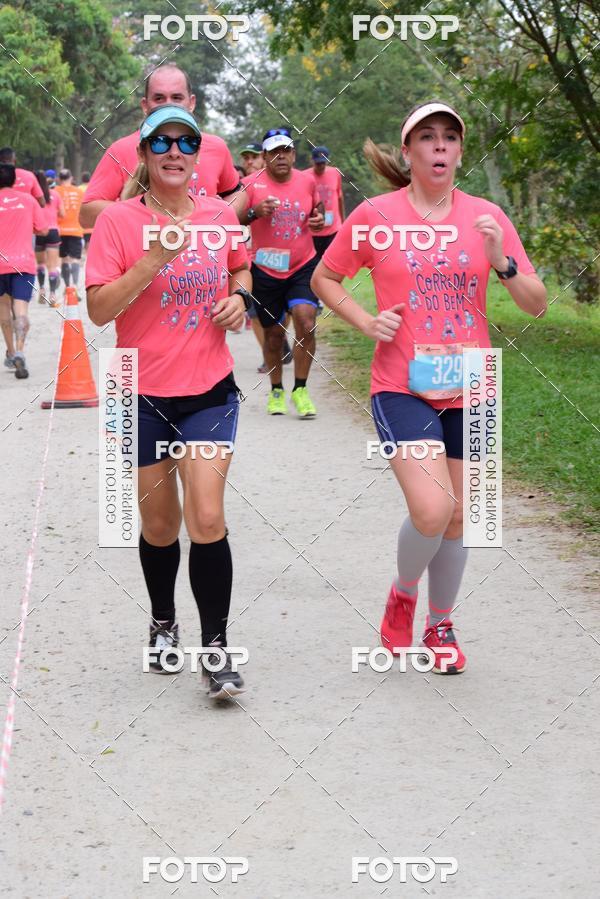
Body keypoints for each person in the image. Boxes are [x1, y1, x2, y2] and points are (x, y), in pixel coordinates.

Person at [311, 101, 547, 673]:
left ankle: (440, 624)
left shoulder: (486, 216)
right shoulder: (375, 215)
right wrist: (365, 323)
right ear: (410, 152)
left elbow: (537, 305)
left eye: (450, 138)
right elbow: (325, 277)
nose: (440, 147)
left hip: (471, 383)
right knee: (433, 507)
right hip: (401, 384)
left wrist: (504, 264)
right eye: (428, 138)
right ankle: (403, 593)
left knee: (463, 517)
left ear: (460, 151)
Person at [86, 106, 251, 701]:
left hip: (209, 390)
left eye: (187, 141)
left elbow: (240, 268)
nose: (175, 151)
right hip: (140, 393)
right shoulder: (118, 224)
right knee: (160, 526)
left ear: (198, 153)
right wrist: (153, 260)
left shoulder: (218, 217)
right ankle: (162, 621)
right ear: (146, 155)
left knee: (206, 516)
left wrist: (241, 301)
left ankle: (216, 649)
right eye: (162, 141)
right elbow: (100, 310)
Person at [79, 64, 240, 229]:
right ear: (145, 105)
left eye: (177, 98)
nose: (168, 105)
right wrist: (143, 214)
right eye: (159, 98)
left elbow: (237, 193)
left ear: (191, 102)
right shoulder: (120, 150)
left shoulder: (216, 147)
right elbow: (86, 214)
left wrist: (219, 217)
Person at [237, 128, 324, 417]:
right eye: (274, 152)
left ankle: (300, 389)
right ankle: (276, 389)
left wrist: (318, 219)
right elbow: (231, 217)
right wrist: (254, 212)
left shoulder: (308, 181)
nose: (281, 156)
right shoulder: (250, 185)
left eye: (286, 150)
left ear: (294, 154)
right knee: (274, 336)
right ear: (264, 157)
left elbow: (317, 210)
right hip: (266, 270)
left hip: (302, 265)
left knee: (306, 322)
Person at [0, 163, 47, 378]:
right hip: (23, 264)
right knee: (21, 311)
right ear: (13, 179)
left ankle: (10, 353)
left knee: (3, 312)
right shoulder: (28, 201)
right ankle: (20, 350)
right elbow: (43, 229)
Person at [306, 146, 345, 261]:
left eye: (323, 163)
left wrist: (343, 223)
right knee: (313, 266)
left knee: (332, 264)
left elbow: (340, 198)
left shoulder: (335, 173)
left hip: (333, 228)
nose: (321, 166)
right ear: (312, 161)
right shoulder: (305, 177)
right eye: (318, 164)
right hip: (313, 231)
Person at [34, 170, 64, 307]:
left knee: (40, 264)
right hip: (53, 231)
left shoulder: (33, 196)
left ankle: (41, 289)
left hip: (39, 231)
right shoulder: (56, 195)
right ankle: (52, 295)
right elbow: (62, 214)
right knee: (52, 266)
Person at [55, 169, 84, 299]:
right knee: (76, 260)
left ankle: (67, 287)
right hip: (76, 229)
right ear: (71, 178)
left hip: (60, 230)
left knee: (65, 259)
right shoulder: (79, 192)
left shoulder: (55, 191)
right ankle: (75, 287)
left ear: (59, 179)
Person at [78, 171, 93, 255]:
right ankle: (87, 254)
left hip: (80, 215)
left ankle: (82, 253)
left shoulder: (78, 188)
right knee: (89, 239)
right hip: (90, 215)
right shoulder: (92, 188)